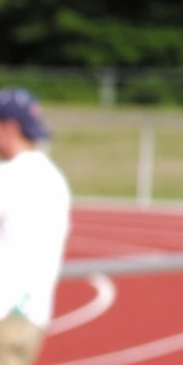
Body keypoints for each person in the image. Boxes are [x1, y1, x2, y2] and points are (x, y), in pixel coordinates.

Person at [0, 90, 68, 365]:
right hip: (34, 315)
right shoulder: (54, 179)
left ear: (10, 127)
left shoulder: (10, 177)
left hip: (5, 313)